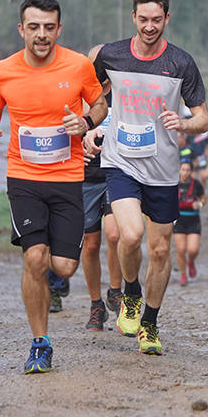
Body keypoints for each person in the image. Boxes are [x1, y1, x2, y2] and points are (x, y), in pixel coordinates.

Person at [0, 0, 107, 374]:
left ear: (59, 29)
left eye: (49, 27)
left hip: (68, 177)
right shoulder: (3, 71)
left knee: (64, 267)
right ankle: (40, 343)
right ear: (21, 29)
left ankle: (49, 266)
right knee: (34, 258)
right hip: (23, 177)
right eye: (33, 27)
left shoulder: (79, 65)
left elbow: (99, 104)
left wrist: (86, 123)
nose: (41, 35)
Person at [88, 0, 208, 356]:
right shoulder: (110, 55)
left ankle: (150, 324)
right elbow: (90, 94)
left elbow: (203, 118)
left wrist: (183, 123)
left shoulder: (182, 63)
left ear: (167, 18)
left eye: (157, 20)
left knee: (159, 251)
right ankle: (131, 292)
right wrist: (91, 125)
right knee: (129, 235)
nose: (150, 26)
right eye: (143, 19)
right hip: (120, 161)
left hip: (162, 169)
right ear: (133, 18)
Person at [78, 43, 124, 331]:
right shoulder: (79, 96)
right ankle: (96, 304)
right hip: (85, 177)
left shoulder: (122, 93)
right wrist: (78, 144)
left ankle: (116, 293)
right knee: (91, 243)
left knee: (115, 233)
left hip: (115, 171)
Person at [174, 157, 205, 286]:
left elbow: (203, 199)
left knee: (193, 250)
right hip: (179, 220)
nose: (185, 172)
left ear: (191, 171)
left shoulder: (197, 184)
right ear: (179, 170)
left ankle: (191, 262)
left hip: (193, 219)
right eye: (183, 170)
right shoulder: (173, 184)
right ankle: (183, 275)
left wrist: (199, 204)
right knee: (181, 250)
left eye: (188, 170)